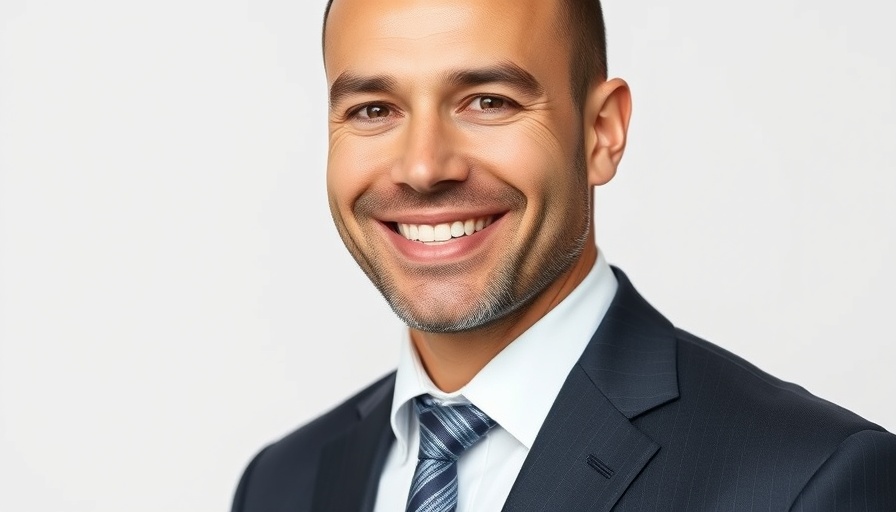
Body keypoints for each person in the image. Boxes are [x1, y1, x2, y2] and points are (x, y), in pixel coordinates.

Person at [231, 0, 896, 510]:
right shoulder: (282, 483)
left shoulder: (808, 481)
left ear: (602, 132)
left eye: (488, 101)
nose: (423, 166)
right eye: (374, 110)